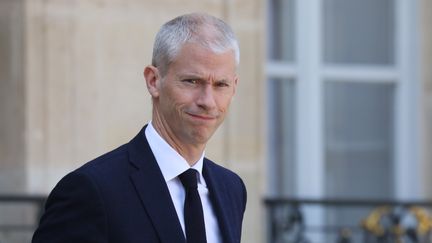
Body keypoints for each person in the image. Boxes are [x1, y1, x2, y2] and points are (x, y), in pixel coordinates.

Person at [32, 12, 247, 243]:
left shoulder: (231, 188)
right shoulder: (92, 190)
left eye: (220, 85)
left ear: (234, 88)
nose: (208, 101)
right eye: (192, 81)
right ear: (153, 81)